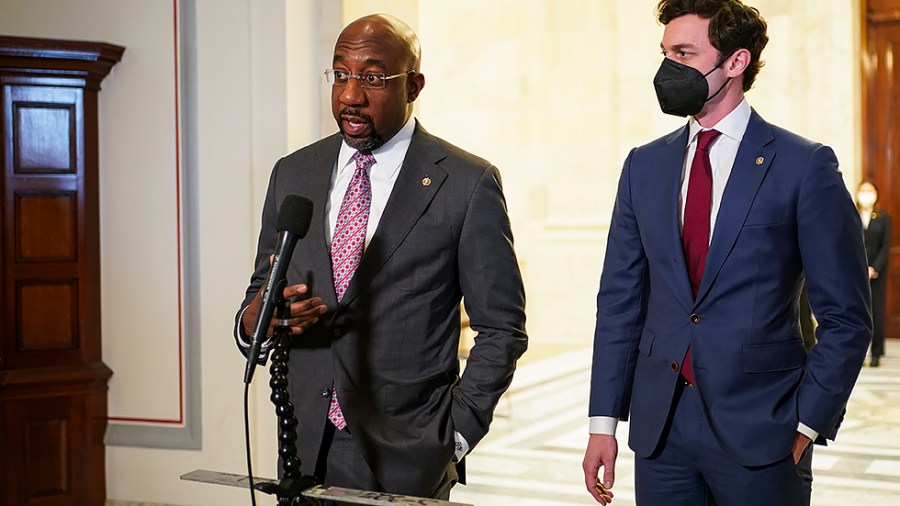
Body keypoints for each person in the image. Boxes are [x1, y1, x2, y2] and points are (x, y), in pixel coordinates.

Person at [581, 1, 872, 505]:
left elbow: (847, 317)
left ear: (736, 62)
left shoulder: (804, 166)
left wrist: (805, 421)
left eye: (684, 53)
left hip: (764, 430)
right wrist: (602, 422)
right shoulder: (643, 166)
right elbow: (620, 303)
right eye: (665, 52)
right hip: (661, 433)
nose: (668, 67)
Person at [234, 14, 527, 499]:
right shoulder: (294, 172)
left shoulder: (466, 183)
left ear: (414, 84)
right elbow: (257, 297)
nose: (350, 95)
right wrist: (256, 320)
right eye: (340, 73)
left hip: (409, 454)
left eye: (372, 78)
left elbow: (502, 328)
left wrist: (451, 439)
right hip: (304, 446)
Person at [858, 180, 891, 367]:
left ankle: (877, 352)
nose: (866, 194)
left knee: (877, 313)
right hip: (856, 273)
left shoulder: (883, 217)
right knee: (859, 313)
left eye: (869, 191)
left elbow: (885, 246)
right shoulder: (852, 215)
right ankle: (859, 353)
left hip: (876, 273)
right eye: (863, 190)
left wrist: (873, 268)